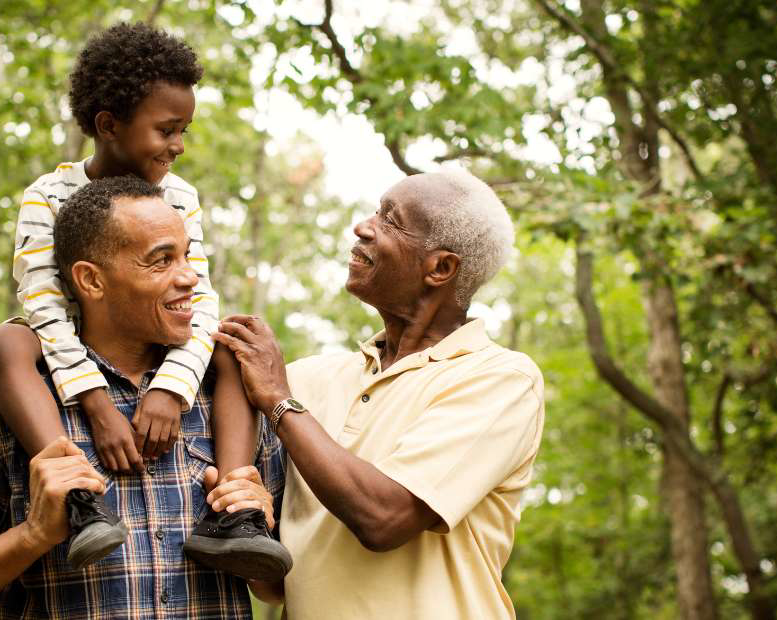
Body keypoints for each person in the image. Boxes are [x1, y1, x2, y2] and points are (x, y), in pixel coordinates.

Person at [0, 176, 285, 619]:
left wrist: (262, 518)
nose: (190, 278)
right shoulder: (5, 405)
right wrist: (33, 535)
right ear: (91, 281)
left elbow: (275, 588)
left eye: (187, 257)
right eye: (161, 261)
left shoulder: (232, 400)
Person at [0, 22, 289, 576]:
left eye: (184, 129)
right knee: (4, 341)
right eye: (167, 129)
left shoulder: (179, 195)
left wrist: (171, 389)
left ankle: (233, 513)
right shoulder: (48, 196)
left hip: (160, 345)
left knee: (231, 342)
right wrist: (95, 403)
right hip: (71, 346)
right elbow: (44, 304)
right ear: (108, 125)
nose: (178, 145)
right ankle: (77, 500)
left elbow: (199, 298)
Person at [215, 169, 546, 619]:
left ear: (441, 268)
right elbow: (274, 584)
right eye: (376, 210)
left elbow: (384, 519)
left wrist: (277, 399)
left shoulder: (501, 380)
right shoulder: (309, 379)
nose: (364, 226)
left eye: (391, 220)